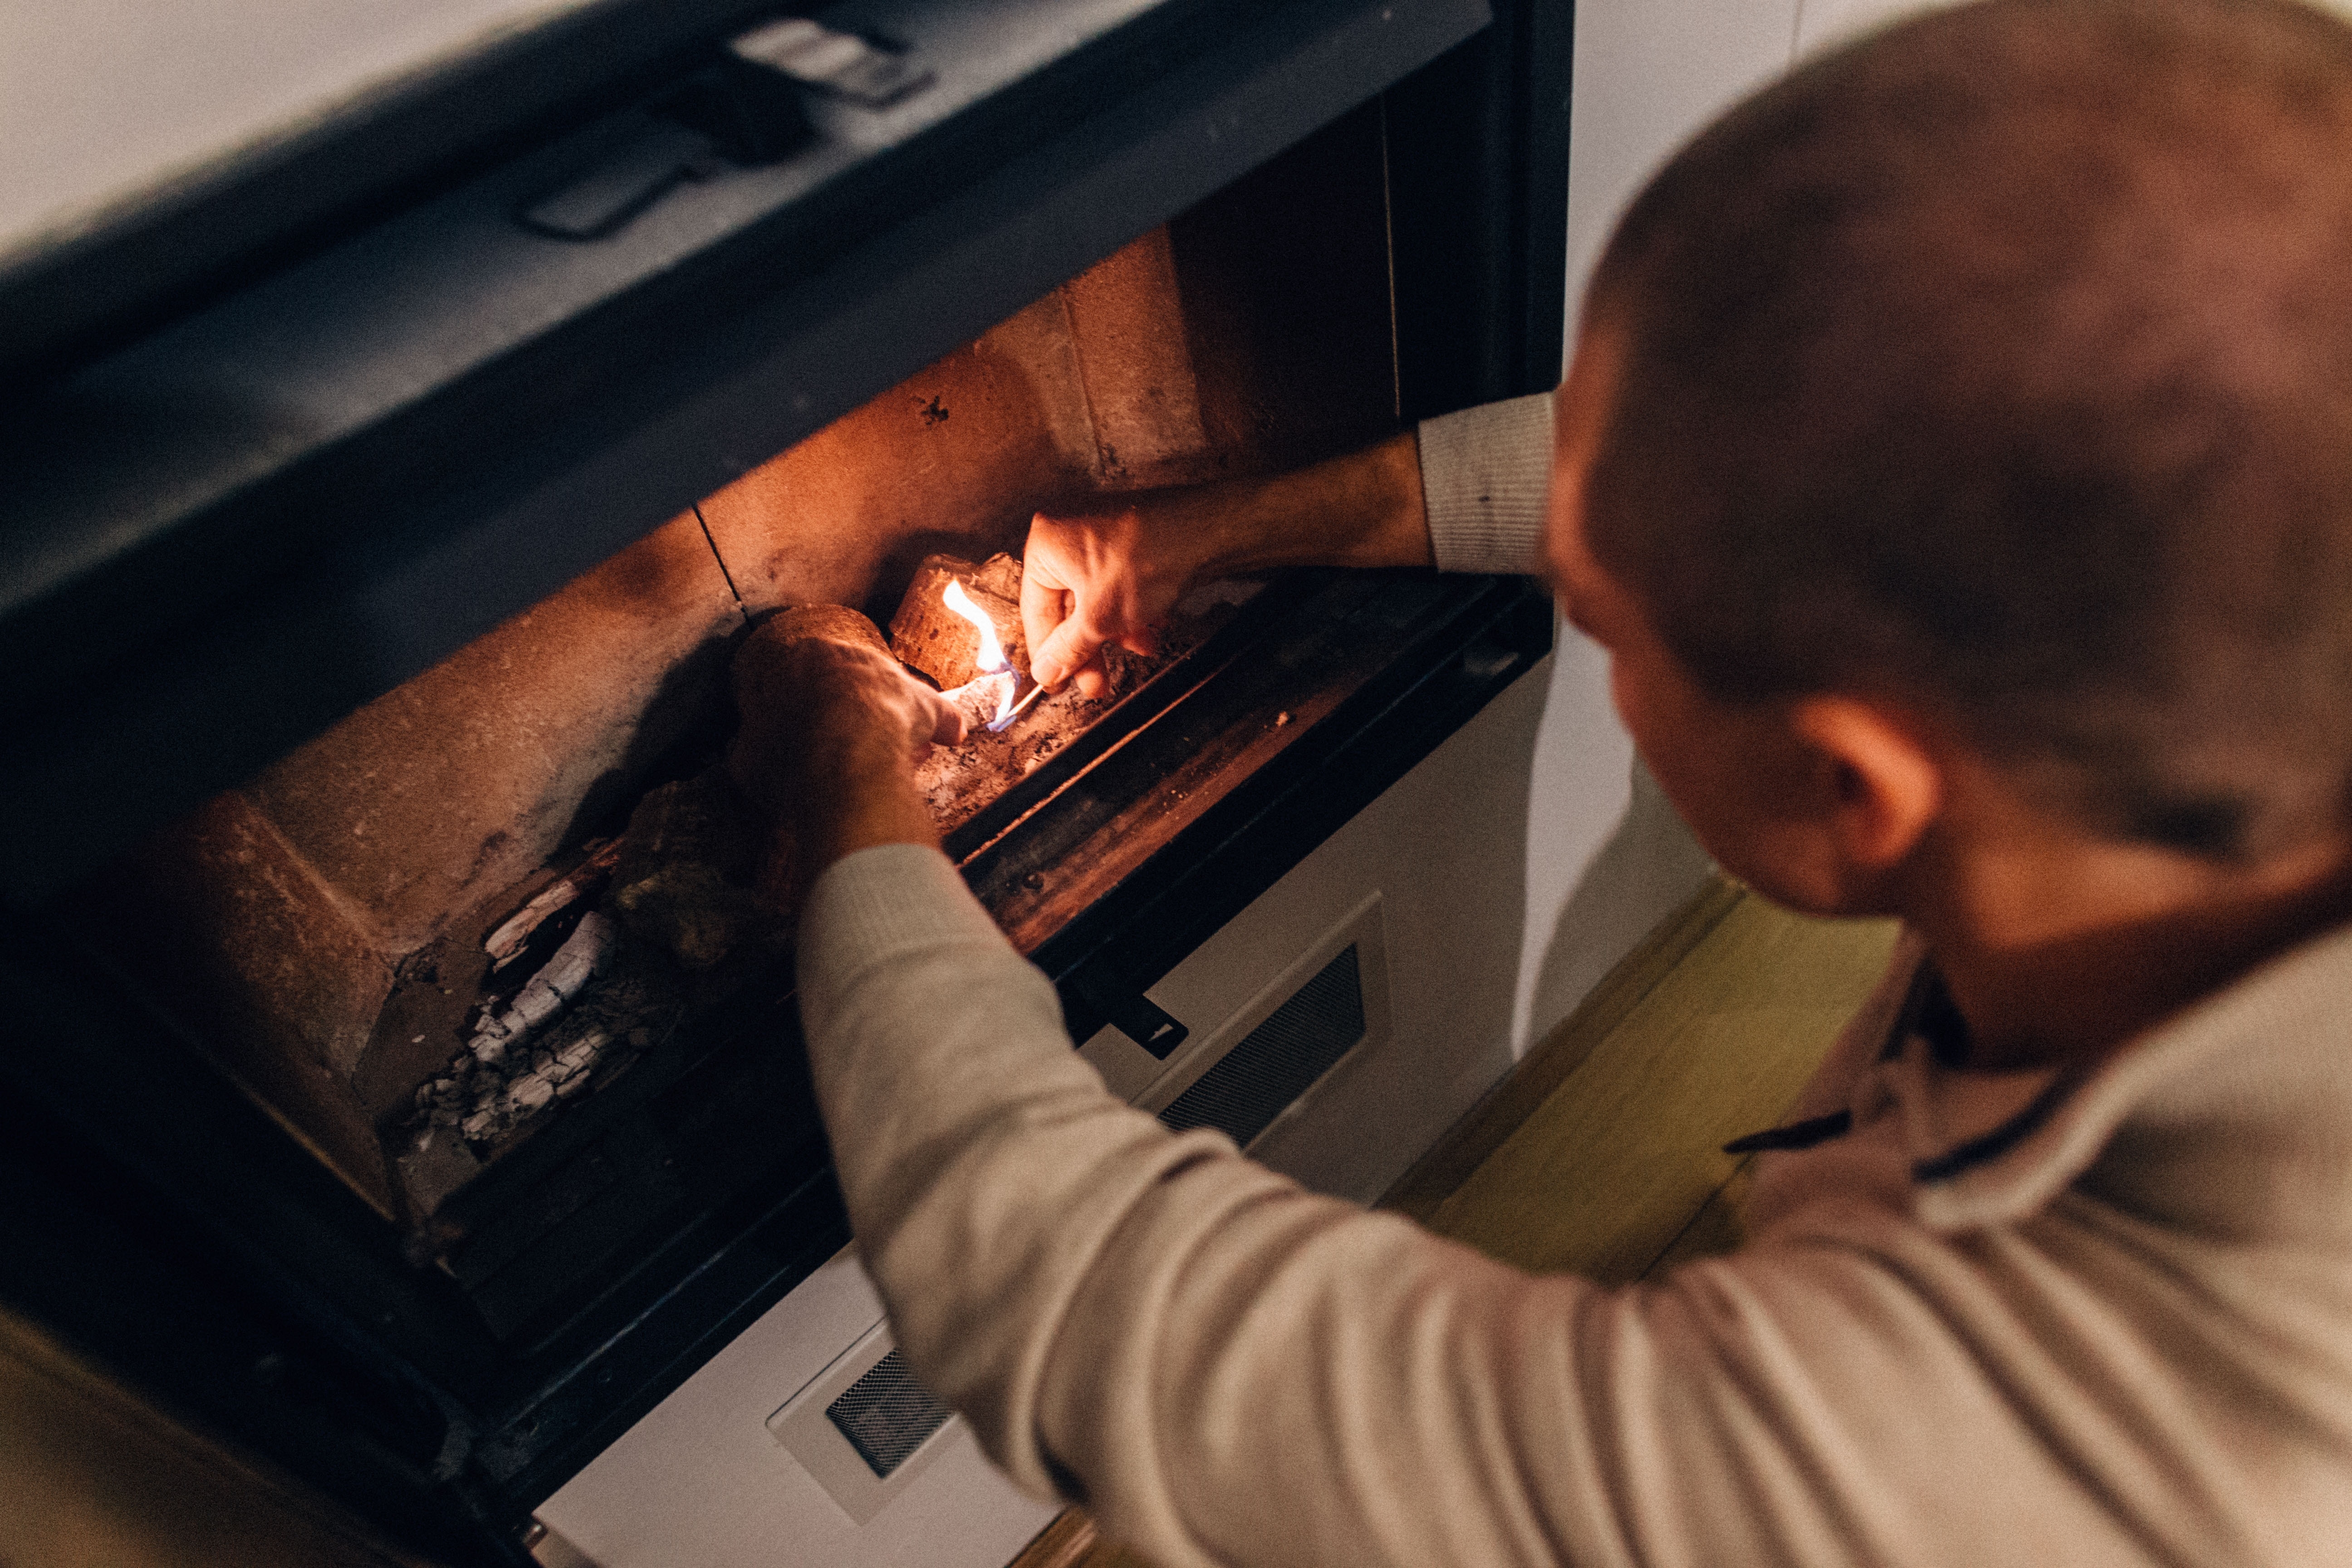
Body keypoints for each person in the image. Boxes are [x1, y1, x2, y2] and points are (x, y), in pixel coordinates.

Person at [730, 1, 2352, 1561]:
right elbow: (1682, 471)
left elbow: (1091, 1310)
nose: (1574, 592)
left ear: (1857, 788)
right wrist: (1218, 524)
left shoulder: (2031, 1460)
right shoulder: (2243, 622)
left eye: (1602, 616)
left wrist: (849, 782)